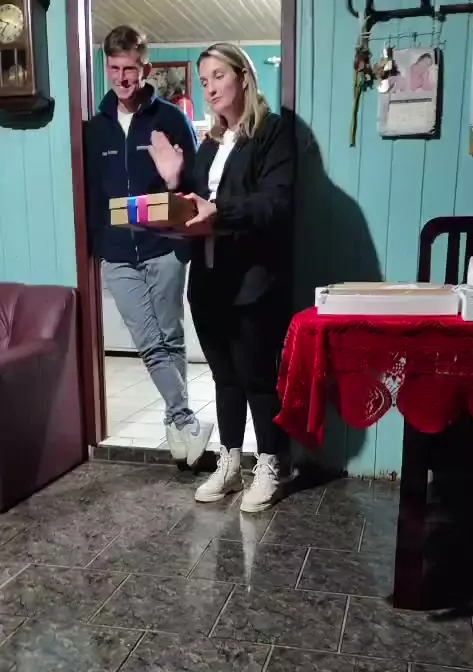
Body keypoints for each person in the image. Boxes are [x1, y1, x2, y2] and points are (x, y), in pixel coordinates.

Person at [148, 42, 294, 512]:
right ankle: (230, 463)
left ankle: (271, 465)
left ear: (243, 77)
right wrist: (174, 181)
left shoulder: (273, 132)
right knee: (224, 378)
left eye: (218, 76)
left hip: (252, 280)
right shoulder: (209, 143)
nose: (209, 87)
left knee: (257, 378)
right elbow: (192, 207)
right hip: (208, 280)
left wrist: (221, 211)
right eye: (204, 79)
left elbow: (276, 203)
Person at [84, 25, 213, 467]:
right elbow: (90, 193)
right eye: (114, 68)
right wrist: (97, 247)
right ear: (107, 68)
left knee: (171, 338)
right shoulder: (95, 129)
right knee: (149, 342)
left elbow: (195, 186)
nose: (122, 78)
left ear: (146, 68)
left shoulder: (171, 120)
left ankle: (176, 432)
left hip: (164, 248)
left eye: (131, 69)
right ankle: (186, 419)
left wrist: (175, 179)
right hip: (118, 255)